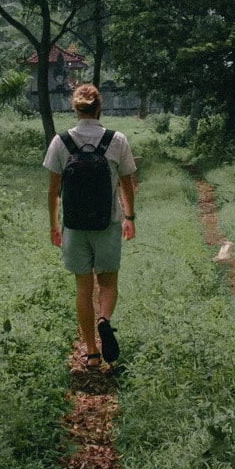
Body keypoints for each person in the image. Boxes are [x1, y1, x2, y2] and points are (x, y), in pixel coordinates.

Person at [45, 84, 137, 370]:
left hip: (74, 227)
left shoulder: (61, 142)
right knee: (107, 282)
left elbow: (53, 191)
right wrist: (129, 218)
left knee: (83, 288)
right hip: (108, 224)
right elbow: (127, 184)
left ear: (75, 109)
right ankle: (104, 320)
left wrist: (54, 225)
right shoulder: (116, 140)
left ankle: (92, 352)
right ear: (100, 107)